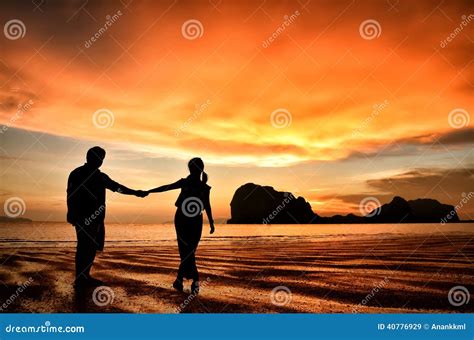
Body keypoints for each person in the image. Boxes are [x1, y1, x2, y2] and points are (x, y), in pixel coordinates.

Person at [67, 146, 148, 287]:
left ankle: (84, 276)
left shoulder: (100, 176)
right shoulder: (78, 174)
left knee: (90, 247)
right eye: (98, 158)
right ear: (89, 157)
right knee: (84, 247)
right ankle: (80, 278)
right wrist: (72, 212)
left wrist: (135, 192)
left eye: (101, 159)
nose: (99, 161)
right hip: (84, 217)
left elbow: (117, 187)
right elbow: (70, 194)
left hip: (97, 218)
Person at [148, 157, 214, 294]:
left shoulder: (204, 187)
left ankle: (180, 279)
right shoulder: (185, 182)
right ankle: (194, 280)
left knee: (189, 250)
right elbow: (166, 187)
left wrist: (212, 222)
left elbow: (207, 205)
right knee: (186, 250)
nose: (193, 170)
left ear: (199, 169)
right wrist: (149, 191)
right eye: (192, 167)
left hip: (195, 219)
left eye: (194, 168)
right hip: (182, 219)